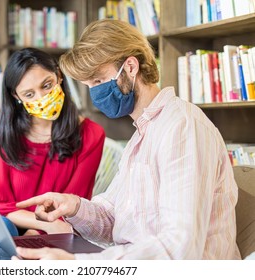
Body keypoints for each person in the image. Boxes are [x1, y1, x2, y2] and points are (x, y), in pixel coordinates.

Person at [14, 19, 241, 260]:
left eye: (98, 80)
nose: (95, 94)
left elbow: (179, 247)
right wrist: (73, 206)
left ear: (131, 67)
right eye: (89, 85)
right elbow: (114, 220)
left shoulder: (182, 126)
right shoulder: (142, 134)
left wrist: (77, 263)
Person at [0, 47, 105, 259]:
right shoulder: (1, 133)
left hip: (56, 230)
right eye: (29, 94)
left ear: (59, 76)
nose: (42, 98)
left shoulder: (92, 135)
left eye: (47, 85)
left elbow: (72, 204)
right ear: (16, 97)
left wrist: (35, 234)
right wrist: (42, 226)